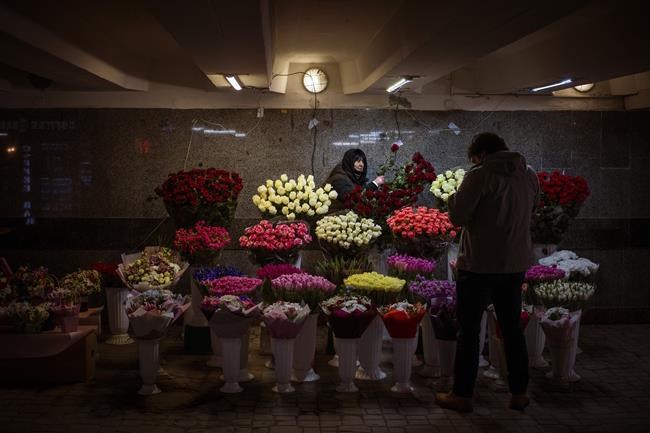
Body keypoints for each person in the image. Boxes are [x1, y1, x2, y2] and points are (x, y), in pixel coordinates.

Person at [435, 132, 539, 413]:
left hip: (479, 264)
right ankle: (519, 393)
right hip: (514, 263)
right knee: (511, 329)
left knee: (469, 331)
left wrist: (453, 197)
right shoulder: (528, 173)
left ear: (480, 154)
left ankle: (463, 394)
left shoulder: (479, 175)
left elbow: (458, 217)